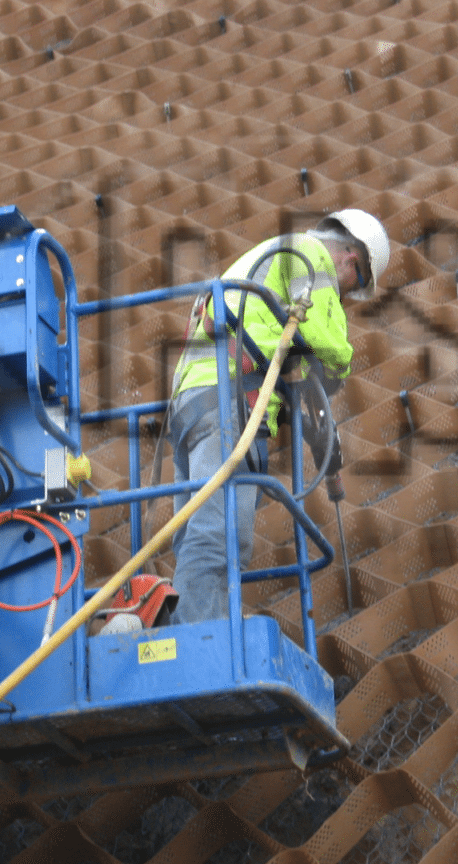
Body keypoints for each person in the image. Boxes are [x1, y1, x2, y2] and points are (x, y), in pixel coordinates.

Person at [165, 209, 390, 625]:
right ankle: (195, 648)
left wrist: (303, 399)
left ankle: (192, 635)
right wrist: (334, 373)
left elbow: (279, 342)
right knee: (221, 536)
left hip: (192, 402)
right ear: (350, 259)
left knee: (199, 537)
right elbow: (330, 344)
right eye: (350, 290)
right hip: (228, 401)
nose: (342, 299)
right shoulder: (311, 256)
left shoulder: (267, 259)